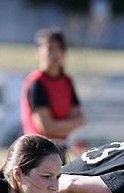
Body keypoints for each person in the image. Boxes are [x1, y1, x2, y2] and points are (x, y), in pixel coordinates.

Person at [20, 27, 85, 159]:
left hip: (60, 149)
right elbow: (45, 126)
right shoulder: (37, 82)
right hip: (38, 152)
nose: (55, 53)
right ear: (38, 52)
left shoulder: (66, 81)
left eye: (59, 48)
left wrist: (58, 127)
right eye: (50, 49)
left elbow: (79, 119)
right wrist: (67, 126)